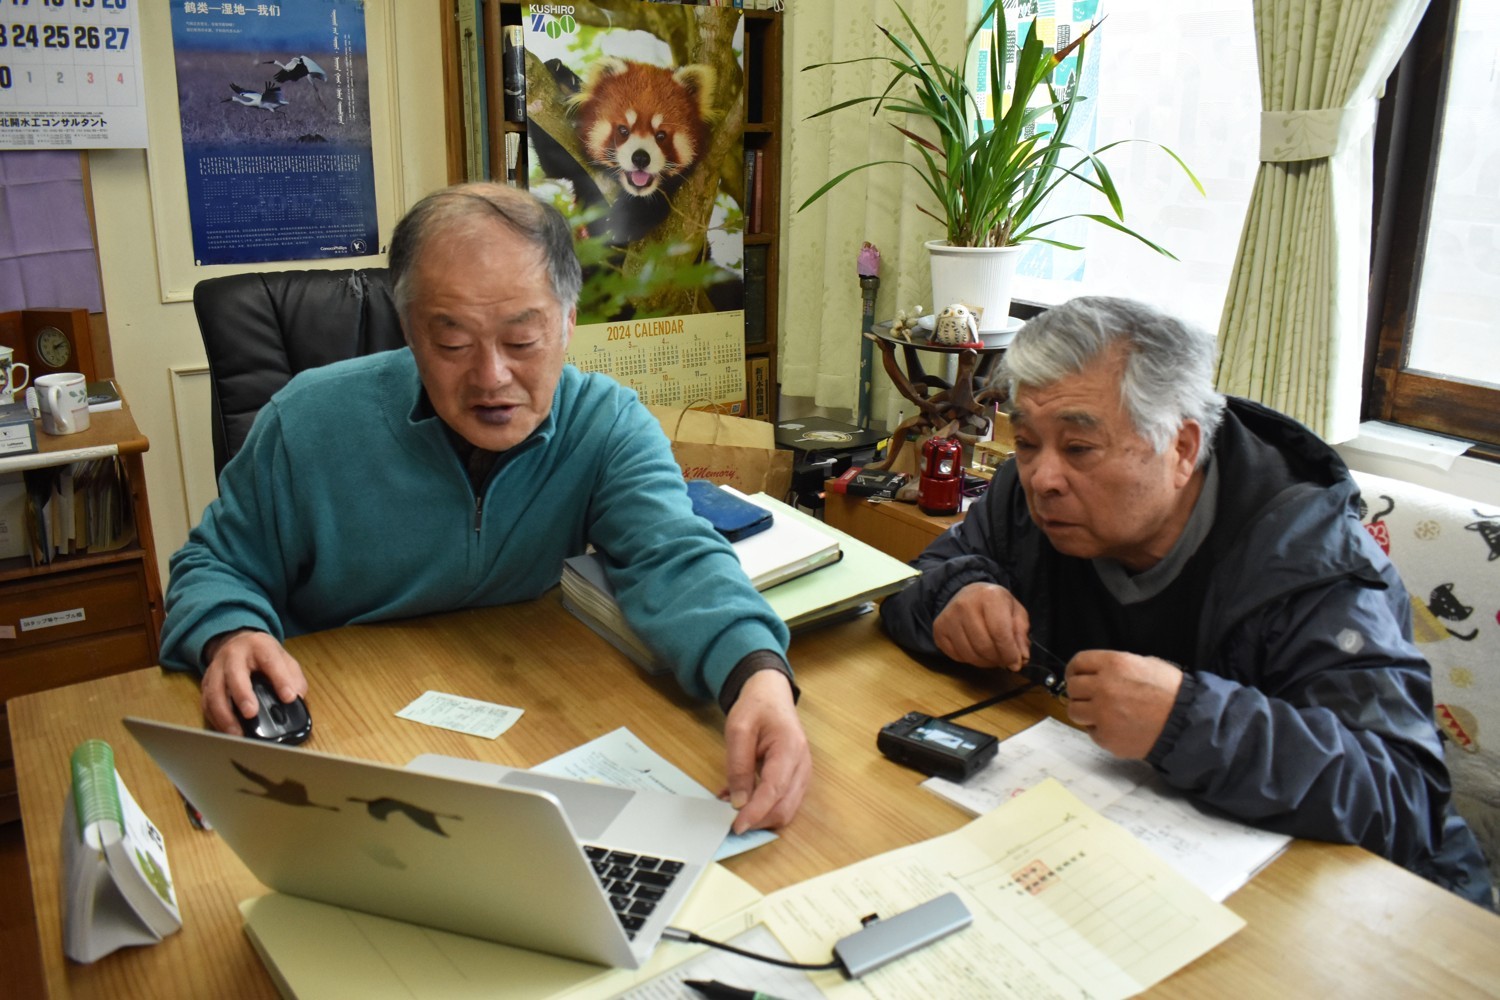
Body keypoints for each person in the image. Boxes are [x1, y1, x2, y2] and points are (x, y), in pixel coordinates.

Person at [161, 183, 809, 834]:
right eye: (452, 344)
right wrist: (230, 633)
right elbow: (214, 564)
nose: (492, 377)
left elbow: (675, 557)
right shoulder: (307, 422)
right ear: (409, 329)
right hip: (342, 743)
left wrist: (758, 674)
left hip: (516, 726)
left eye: (522, 340)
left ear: (568, 321)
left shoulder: (605, 426)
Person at [880, 296, 1494, 907]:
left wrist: (1187, 721)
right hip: (1116, 852)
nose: (1043, 477)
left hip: (1378, 910)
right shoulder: (1029, 492)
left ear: (1180, 447)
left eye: (1079, 448)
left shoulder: (1312, 559)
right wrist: (958, 592)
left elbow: (1401, 795)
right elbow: (909, 583)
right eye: (1027, 441)